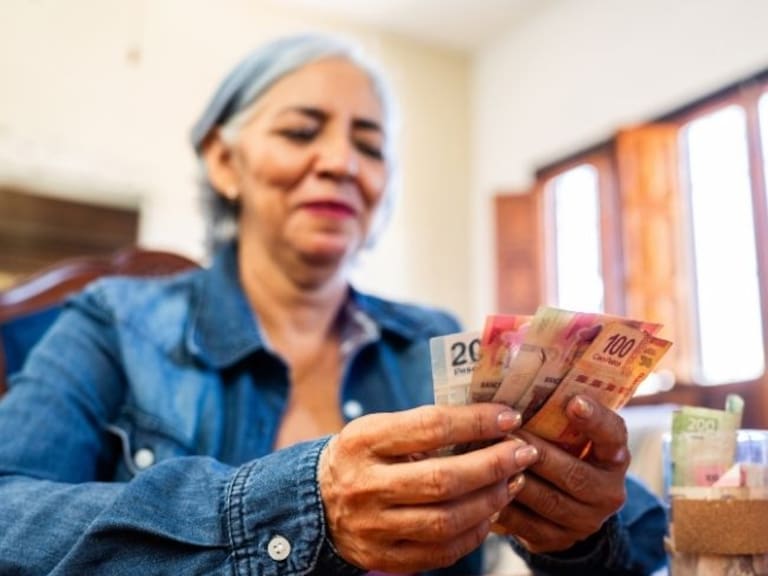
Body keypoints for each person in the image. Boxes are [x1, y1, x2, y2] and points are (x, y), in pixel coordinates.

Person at [0, 33, 668, 575]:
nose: (341, 163)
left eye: (370, 147)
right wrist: (296, 507)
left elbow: (653, 545)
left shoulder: (428, 343)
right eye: (300, 132)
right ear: (224, 162)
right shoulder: (113, 322)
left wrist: (578, 537)